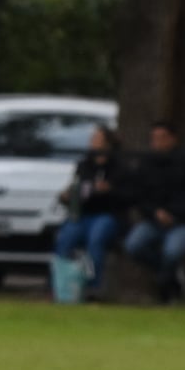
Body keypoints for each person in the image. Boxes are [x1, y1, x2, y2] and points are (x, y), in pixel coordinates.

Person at [124, 121, 185, 302]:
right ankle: (167, 277)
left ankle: (167, 288)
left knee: (173, 251)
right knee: (133, 246)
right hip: (154, 221)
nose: (158, 143)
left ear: (173, 139)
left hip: (182, 221)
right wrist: (154, 212)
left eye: (162, 138)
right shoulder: (147, 164)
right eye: (154, 139)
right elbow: (138, 195)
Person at [52, 123, 126, 298]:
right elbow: (77, 189)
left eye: (97, 139)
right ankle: (60, 284)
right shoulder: (84, 165)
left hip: (107, 214)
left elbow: (126, 196)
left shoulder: (119, 167)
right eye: (93, 139)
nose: (93, 142)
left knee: (96, 238)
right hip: (83, 214)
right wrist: (66, 196)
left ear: (108, 144)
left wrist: (109, 190)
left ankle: (93, 285)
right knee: (65, 237)